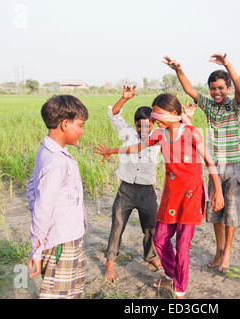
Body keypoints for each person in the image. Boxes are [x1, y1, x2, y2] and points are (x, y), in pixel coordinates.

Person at [94, 93, 224, 299]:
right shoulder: (159, 135)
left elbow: (209, 161)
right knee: (161, 238)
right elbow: (137, 147)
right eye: (153, 114)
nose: (154, 118)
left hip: (190, 196)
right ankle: (172, 274)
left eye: (158, 114)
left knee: (182, 245)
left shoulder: (191, 132)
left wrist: (218, 191)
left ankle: (179, 290)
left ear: (174, 114)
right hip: (170, 196)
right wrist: (112, 150)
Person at [163, 53, 240, 273]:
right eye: (213, 88)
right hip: (214, 168)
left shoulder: (233, 107)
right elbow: (190, 90)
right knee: (216, 211)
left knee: (232, 214)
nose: (216, 92)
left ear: (227, 88)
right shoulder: (209, 107)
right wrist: (178, 69)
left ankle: (227, 252)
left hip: (233, 166)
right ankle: (219, 249)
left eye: (220, 88)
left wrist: (228, 64)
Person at [26, 95, 89, 299]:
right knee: (61, 294)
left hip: (68, 235)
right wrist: (37, 251)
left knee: (71, 290)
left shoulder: (47, 151)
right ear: (64, 124)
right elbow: (42, 208)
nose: (82, 131)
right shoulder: (56, 161)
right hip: (62, 239)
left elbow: (31, 189)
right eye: (80, 125)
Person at [104, 85, 162, 283]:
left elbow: (176, 129)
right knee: (117, 226)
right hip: (126, 190)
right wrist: (124, 99)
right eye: (139, 126)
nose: (143, 130)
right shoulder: (127, 133)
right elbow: (113, 115)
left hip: (147, 191)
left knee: (151, 228)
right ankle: (110, 263)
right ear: (135, 124)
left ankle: (151, 256)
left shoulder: (158, 137)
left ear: (154, 124)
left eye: (147, 126)